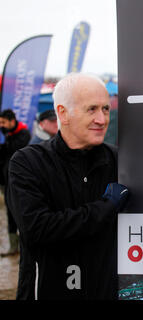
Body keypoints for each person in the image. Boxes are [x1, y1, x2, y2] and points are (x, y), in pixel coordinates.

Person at [7, 73, 129, 300]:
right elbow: (37, 229)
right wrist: (107, 207)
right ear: (63, 113)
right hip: (47, 290)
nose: (102, 119)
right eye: (91, 109)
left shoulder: (119, 161)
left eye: (105, 109)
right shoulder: (28, 162)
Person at [0, 109, 31, 257]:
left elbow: (12, 150)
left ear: (12, 121)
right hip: (5, 180)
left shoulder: (24, 135)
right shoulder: (6, 133)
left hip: (18, 181)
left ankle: (26, 247)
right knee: (9, 212)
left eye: (4, 122)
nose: (2, 125)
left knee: (21, 213)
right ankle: (14, 247)